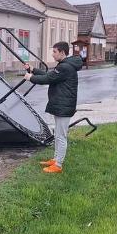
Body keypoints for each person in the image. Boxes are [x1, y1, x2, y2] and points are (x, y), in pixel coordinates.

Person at [23, 41, 83, 173]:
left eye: (55, 51)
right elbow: (49, 75)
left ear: (62, 52)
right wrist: (33, 70)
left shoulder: (65, 67)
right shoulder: (64, 65)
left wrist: (30, 77)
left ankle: (58, 165)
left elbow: (47, 79)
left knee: (61, 136)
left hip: (64, 106)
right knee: (58, 134)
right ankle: (55, 160)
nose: (52, 54)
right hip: (61, 105)